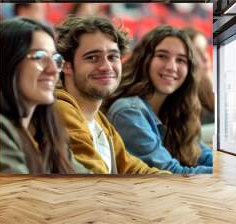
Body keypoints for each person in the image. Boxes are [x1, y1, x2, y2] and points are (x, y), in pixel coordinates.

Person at [55, 16, 169, 174]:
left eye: (113, 57)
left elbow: (133, 168)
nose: (106, 66)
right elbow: (94, 180)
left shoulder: (100, 121)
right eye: (92, 57)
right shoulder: (60, 109)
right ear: (66, 66)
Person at [106, 25, 213, 174]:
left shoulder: (176, 111)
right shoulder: (128, 111)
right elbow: (170, 173)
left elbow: (206, 156)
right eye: (162, 56)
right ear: (145, 60)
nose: (171, 67)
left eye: (181, 60)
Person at [0, 17, 87, 174]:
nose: (53, 70)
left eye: (55, 59)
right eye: (39, 56)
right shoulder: (1, 128)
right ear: (9, 62)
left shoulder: (46, 129)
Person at [183, 27, 214, 145]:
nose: (206, 57)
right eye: (197, 52)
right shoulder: (182, 98)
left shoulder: (214, 88)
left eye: (205, 50)